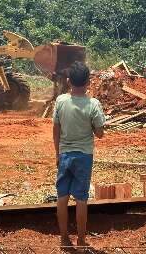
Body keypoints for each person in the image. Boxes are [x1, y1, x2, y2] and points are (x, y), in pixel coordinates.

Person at [53, 61, 106, 248]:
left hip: (65, 154)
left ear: (68, 81)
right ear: (88, 82)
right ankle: (82, 241)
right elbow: (99, 133)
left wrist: (57, 154)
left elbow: (56, 129)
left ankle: (64, 239)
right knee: (81, 199)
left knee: (62, 197)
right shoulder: (93, 104)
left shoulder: (60, 101)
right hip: (84, 156)